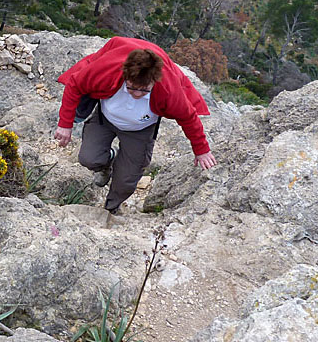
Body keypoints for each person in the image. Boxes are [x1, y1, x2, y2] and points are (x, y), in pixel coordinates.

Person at [53, 36, 216, 214]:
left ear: (154, 81)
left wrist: (201, 150)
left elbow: (188, 117)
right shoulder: (107, 69)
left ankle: (111, 208)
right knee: (88, 158)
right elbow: (75, 84)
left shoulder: (168, 89)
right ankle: (107, 162)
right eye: (131, 87)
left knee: (125, 181)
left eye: (144, 89)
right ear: (125, 75)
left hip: (141, 129)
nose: (137, 94)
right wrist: (65, 125)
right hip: (105, 118)